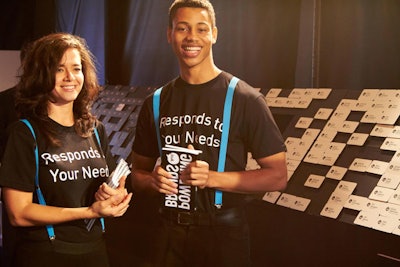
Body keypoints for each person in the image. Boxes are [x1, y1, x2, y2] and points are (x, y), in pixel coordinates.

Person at [129, 0, 288, 266]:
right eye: (182, 28)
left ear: (214, 34)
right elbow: (138, 176)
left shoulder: (245, 98)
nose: (192, 37)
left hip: (224, 233)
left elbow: (277, 176)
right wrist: (152, 182)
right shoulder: (155, 102)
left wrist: (212, 178)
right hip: (169, 232)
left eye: (201, 29)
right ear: (169, 35)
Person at [0, 32, 132, 267]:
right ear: (41, 75)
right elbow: (18, 213)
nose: (70, 77)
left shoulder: (94, 129)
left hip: (95, 252)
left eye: (76, 68)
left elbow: (112, 185)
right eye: (59, 69)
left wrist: (116, 195)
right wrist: (88, 212)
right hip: (45, 255)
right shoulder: (24, 133)